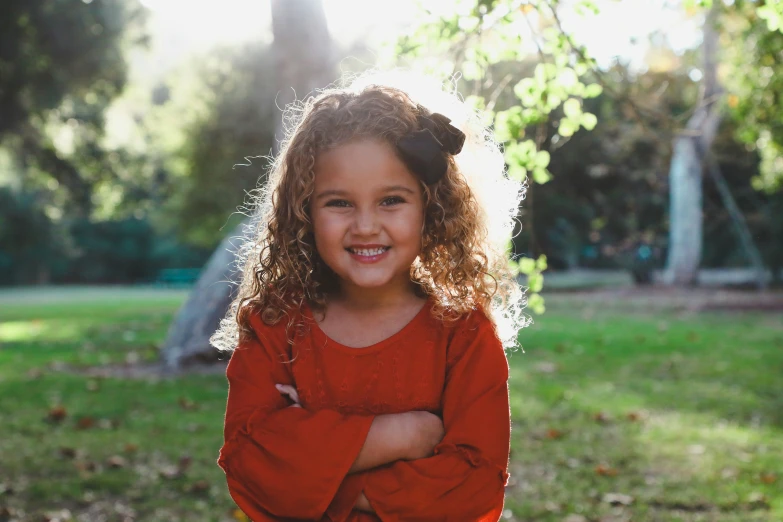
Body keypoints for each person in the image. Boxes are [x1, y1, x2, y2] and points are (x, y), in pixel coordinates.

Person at [211, 70, 529, 521]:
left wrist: (318, 465)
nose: (364, 226)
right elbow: (249, 463)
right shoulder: (274, 324)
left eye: (391, 200)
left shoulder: (464, 333)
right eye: (339, 203)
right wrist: (403, 436)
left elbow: (474, 485)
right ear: (304, 211)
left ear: (431, 208)